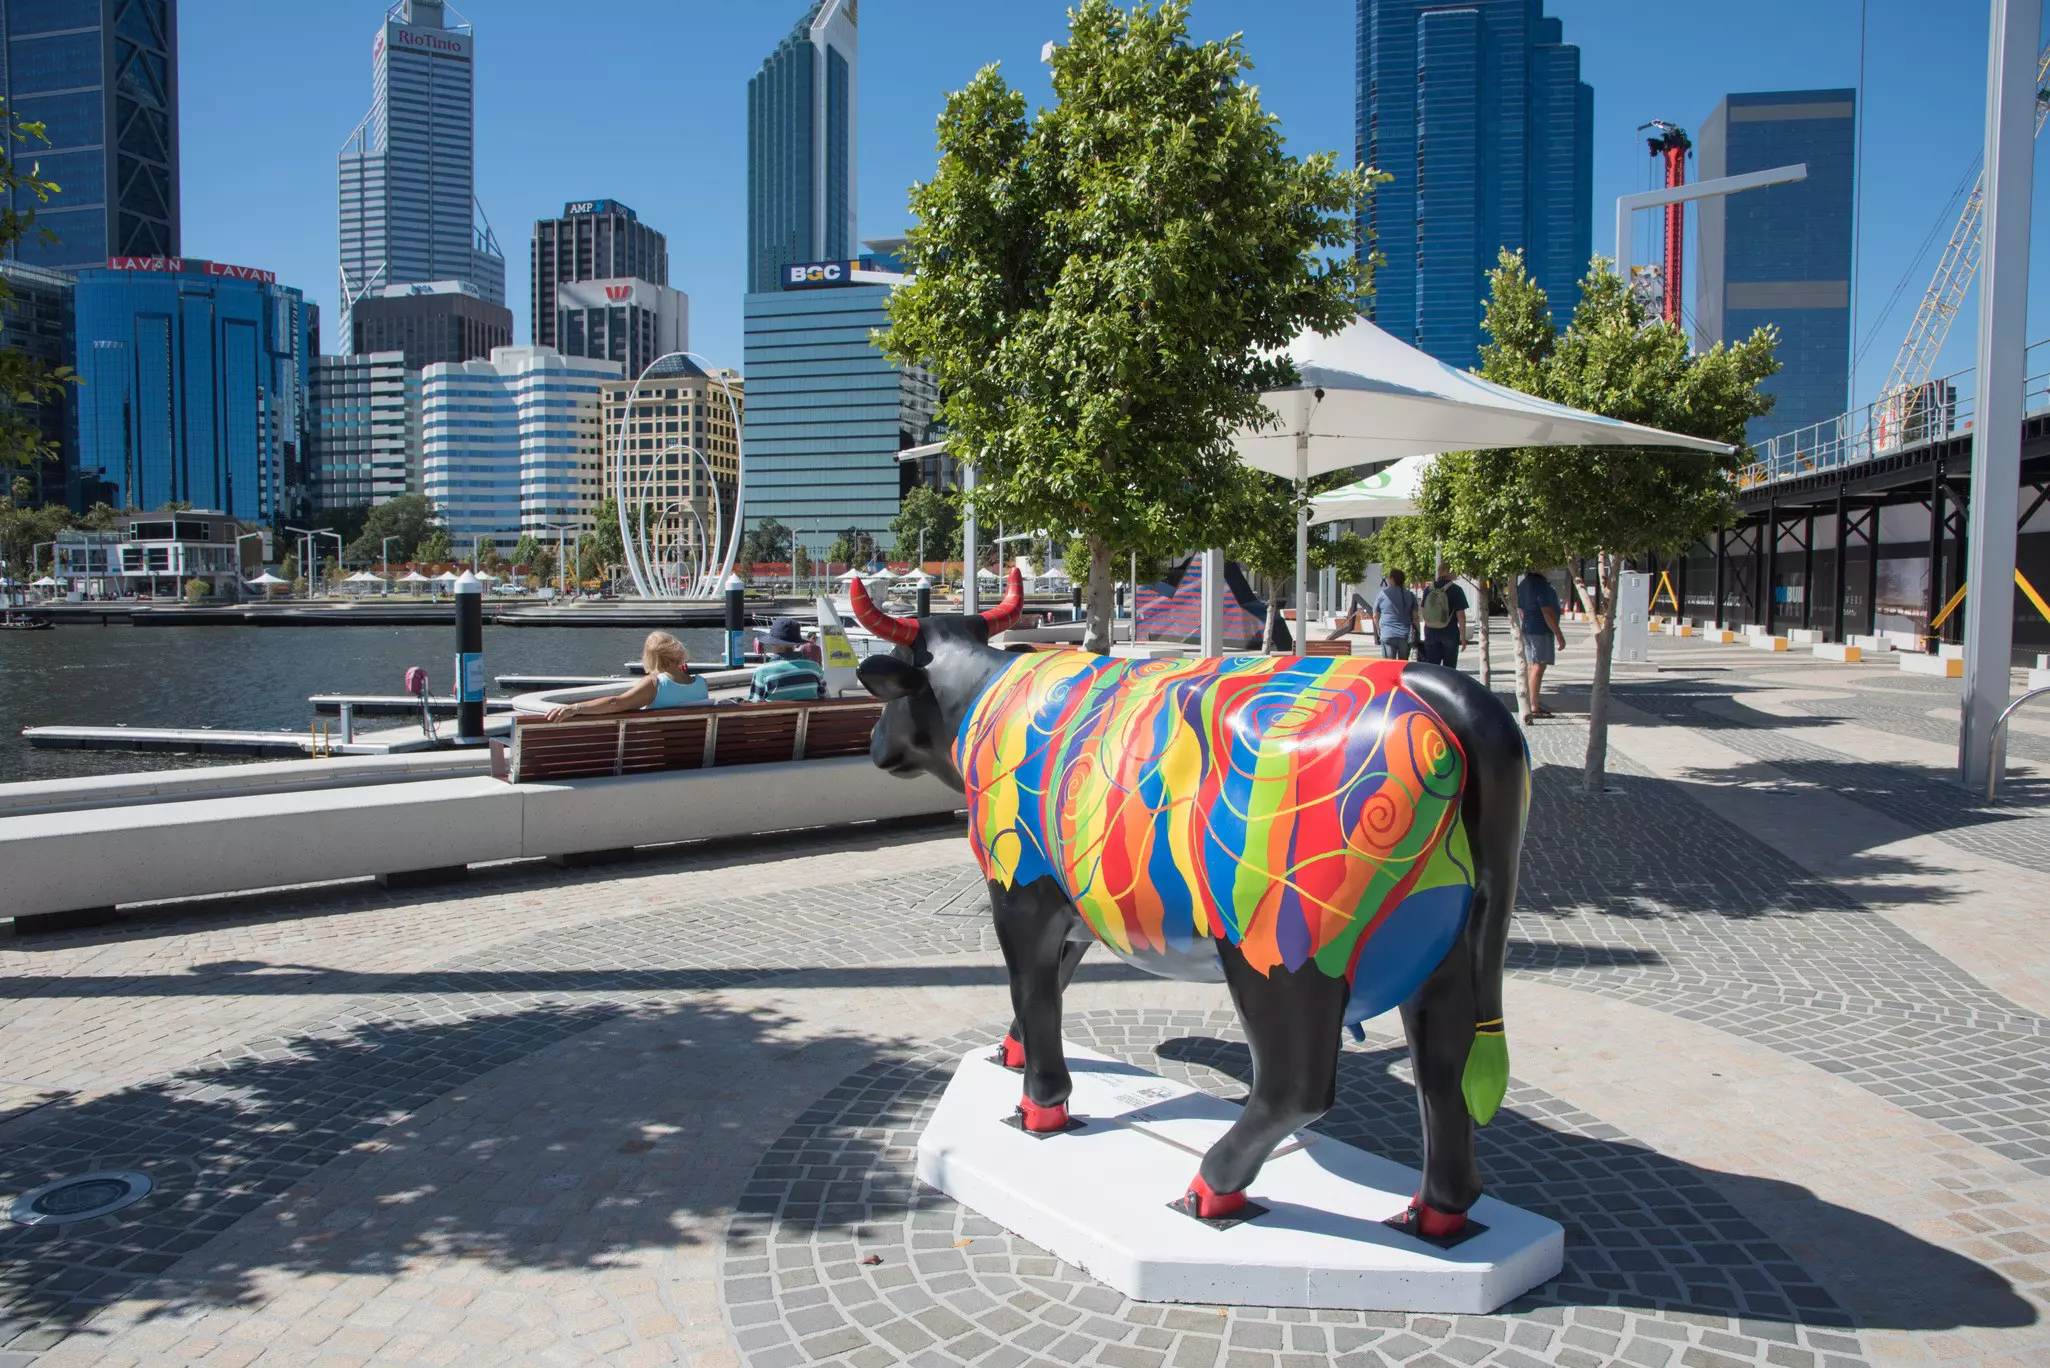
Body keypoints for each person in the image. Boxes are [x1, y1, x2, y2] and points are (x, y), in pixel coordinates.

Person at [545, 631, 708, 721]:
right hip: (694, 752)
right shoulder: (701, 683)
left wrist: (575, 708)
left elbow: (615, 704)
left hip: (660, 752)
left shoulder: (654, 683)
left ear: (650, 656)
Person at [1516, 568, 1568, 724]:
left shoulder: (1524, 583)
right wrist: (1559, 635)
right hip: (1540, 630)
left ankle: (1533, 704)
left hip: (1529, 628)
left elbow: (1521, 610)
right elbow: (1547, 611)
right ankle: (1534, 707)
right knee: (1538, 667)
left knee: (1533, 666)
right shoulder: (1540, 584)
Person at [749, 617, 827, 701]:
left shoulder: (762, 671)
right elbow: (823, 696)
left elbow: (755, 703)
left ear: (774, 643)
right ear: (796, 644)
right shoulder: (814, 668)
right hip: (810, 714)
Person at [1418, 561, 1469, 669]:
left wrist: (1430, 624)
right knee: (1449, 667)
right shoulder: (1456, 590)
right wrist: (1463, 637)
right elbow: (1461, 616)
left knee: (1432, 666)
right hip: (1449, 631)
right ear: (1449, 572)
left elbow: (1423, 610)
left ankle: (1432, 685)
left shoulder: (1429, 589)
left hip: (1431, 631)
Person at [1370, 569, 1418, 660]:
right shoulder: (1410, 595)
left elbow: (1375, 615)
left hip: (1388, 633)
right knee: (1402, 666)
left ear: (1392, 579)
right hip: (1404, 635)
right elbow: (1415, 617)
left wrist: (1378, 629)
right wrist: (1418, 632)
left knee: (1389, 665)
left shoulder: (1383, 594)